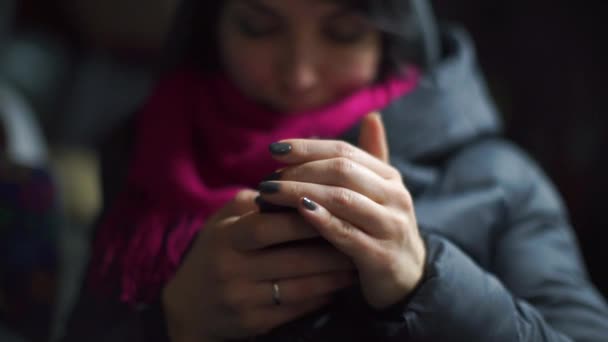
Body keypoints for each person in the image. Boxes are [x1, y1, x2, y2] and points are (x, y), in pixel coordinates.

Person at [62, 0, 608, 341]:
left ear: (390, 38)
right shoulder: (145, 152)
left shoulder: (495, 179)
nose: (298, 74)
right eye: (258, 26)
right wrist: (172, 323)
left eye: (343, 33)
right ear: (211, 25)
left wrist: (423, 281)